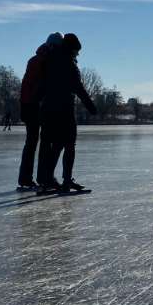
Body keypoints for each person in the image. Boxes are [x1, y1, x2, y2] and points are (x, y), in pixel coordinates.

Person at [39, 33, 97, 193]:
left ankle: (47, 180)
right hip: (64, 110)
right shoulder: (69, 64)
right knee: (70, 145)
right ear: (71, 49)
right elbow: (78, 87)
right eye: (77, 51)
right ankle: (66, 181)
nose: (77, 54)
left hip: (48, 109)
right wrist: (91, 107)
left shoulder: (49, 61)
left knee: (56, 146)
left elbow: (41, 86)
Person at [18, 33, 63, 190]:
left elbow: (27, 86)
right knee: (39, 142)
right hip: (35, 106)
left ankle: (27, 178)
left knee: (33, 142)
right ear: (52, 46)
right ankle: (36, 178)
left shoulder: (37, 59)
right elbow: (37, 86)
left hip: (31, 105)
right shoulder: (43, 61)